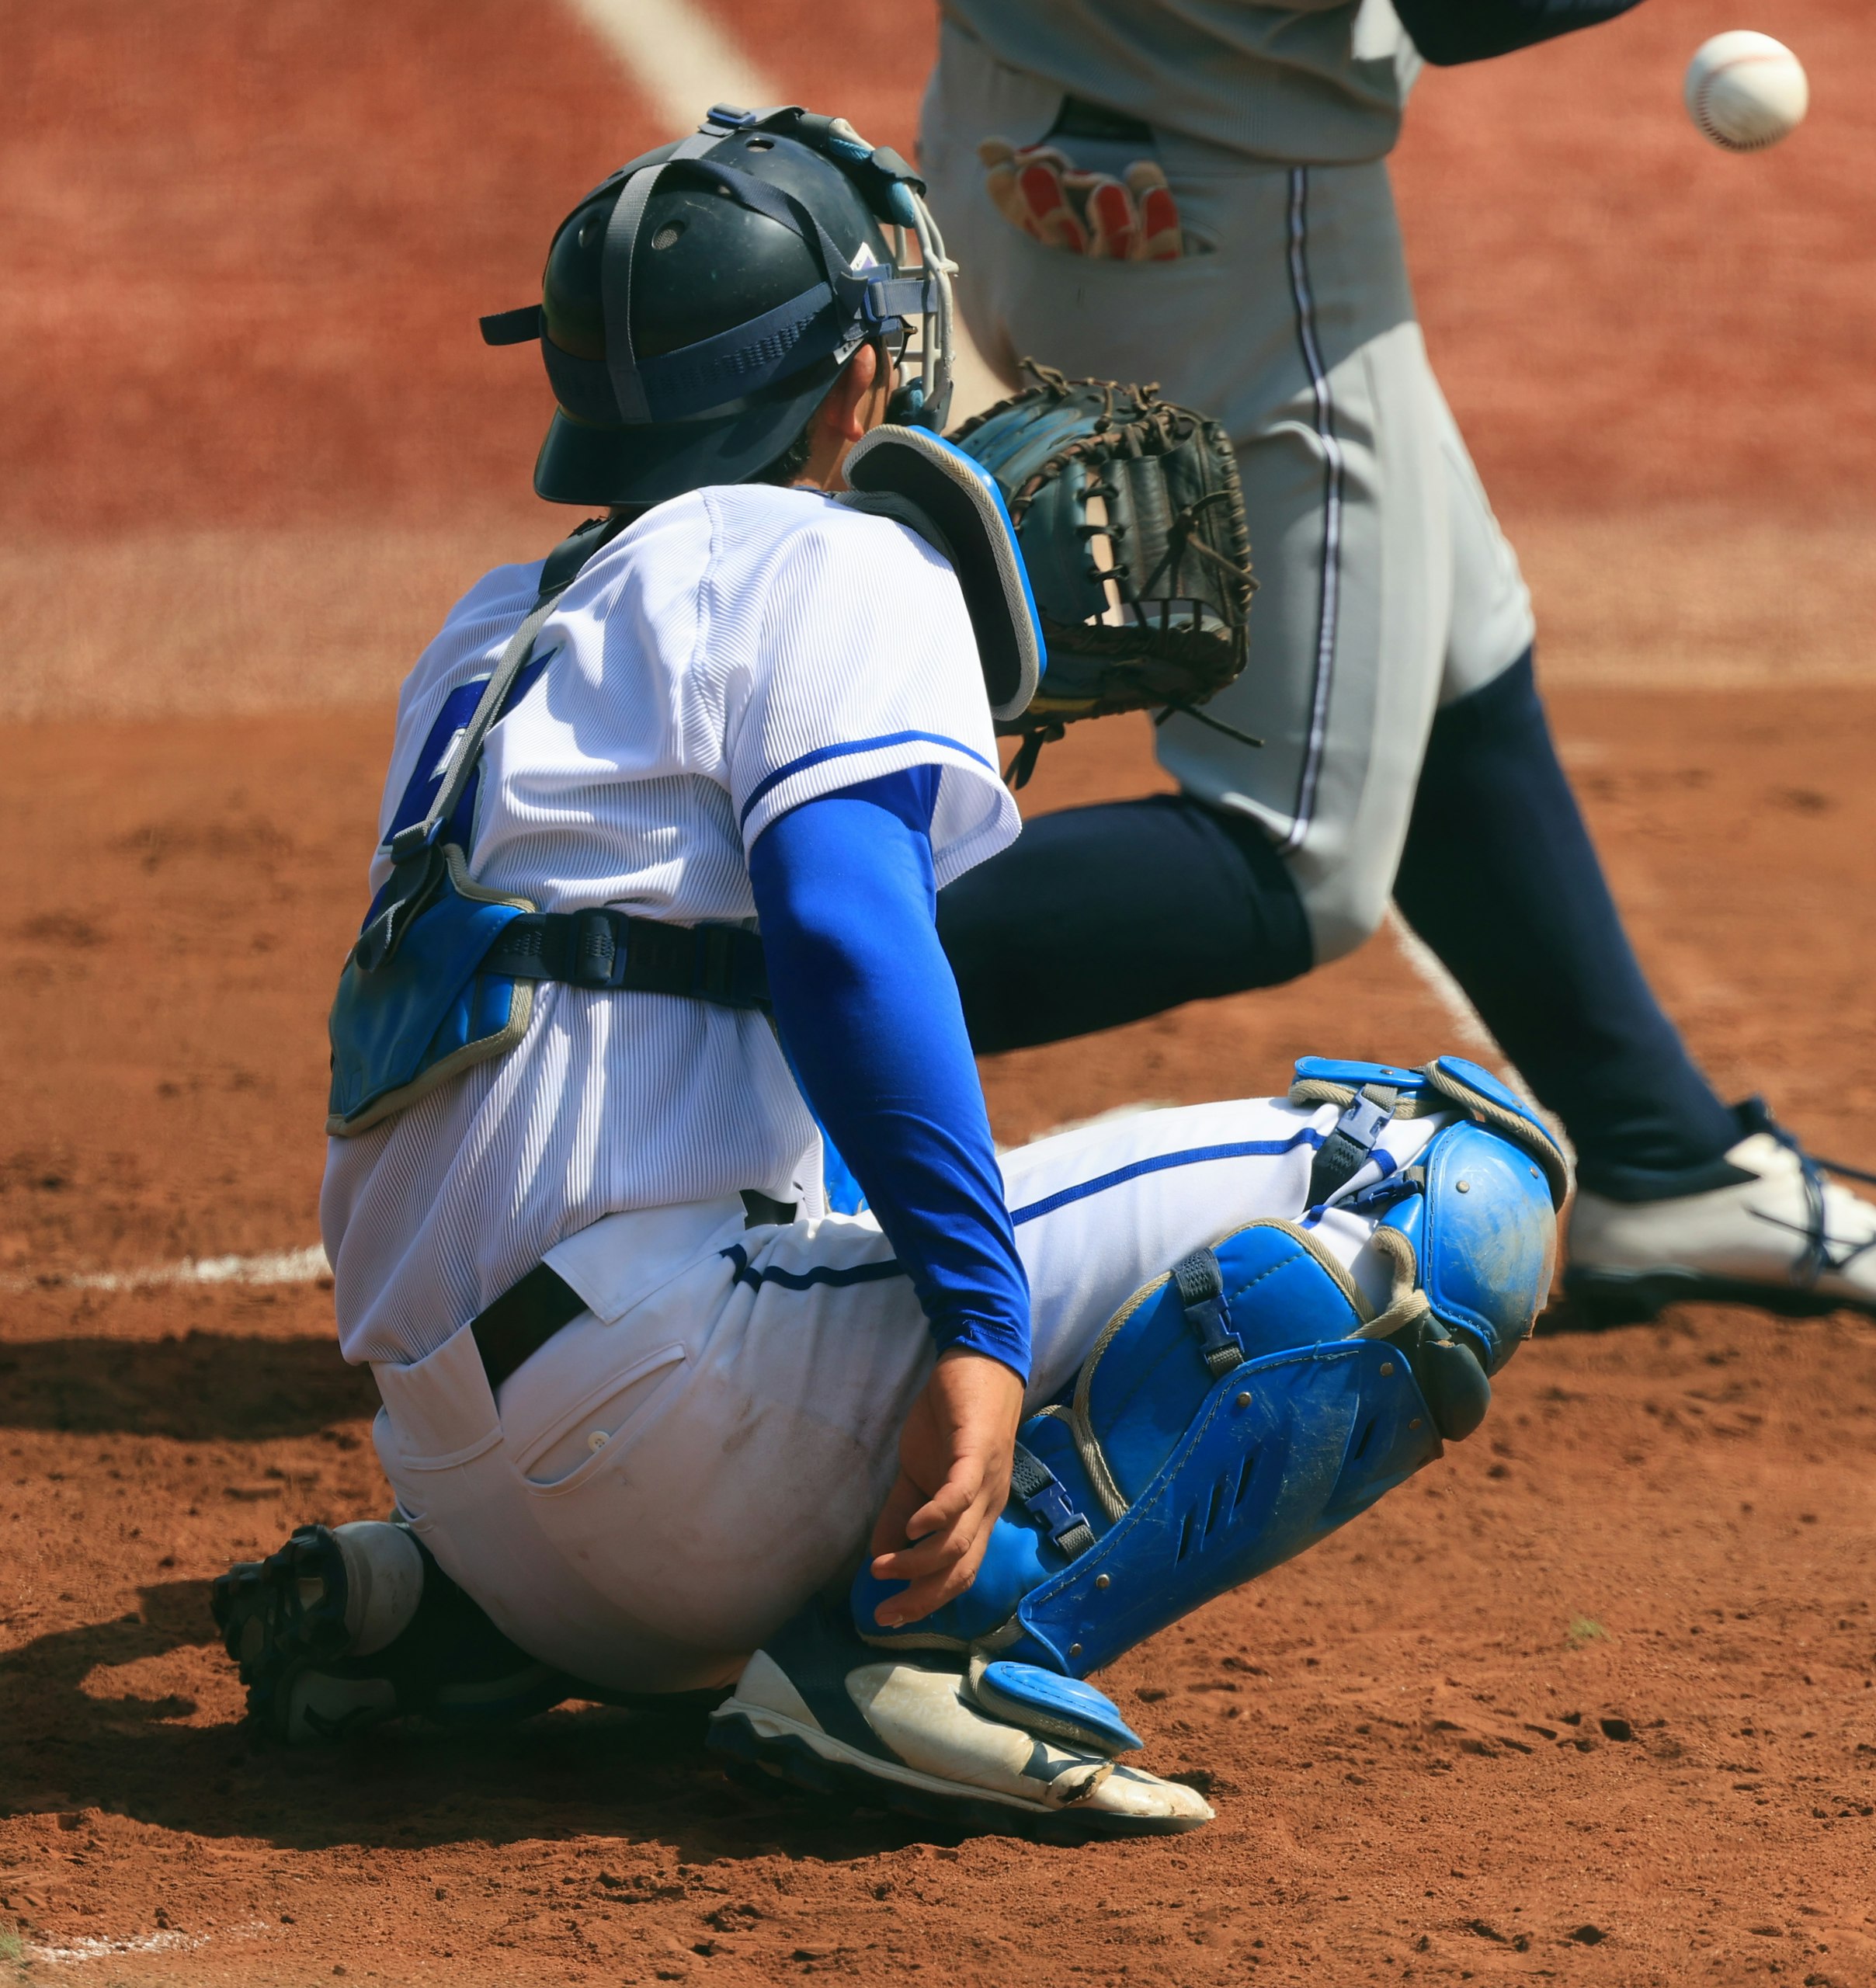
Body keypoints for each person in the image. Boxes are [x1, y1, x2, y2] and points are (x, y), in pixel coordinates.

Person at [212, 104, 1562, 1841]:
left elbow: (732, 980)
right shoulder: (838, 553)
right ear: (854, 380)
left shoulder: (490, 635)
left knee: (812, 1154)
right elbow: (850, 938)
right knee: (1442, 1179)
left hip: (484, 1493)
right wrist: (983, 1329)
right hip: (674, 1439)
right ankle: (944, 1646)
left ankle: (445, 1621)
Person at [915, 1, 1876, 1329]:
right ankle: (740, 984)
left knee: (1440, 641)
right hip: (1215, 213)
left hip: (1027, 131)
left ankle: (1658, 1156)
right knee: (1291, 858)